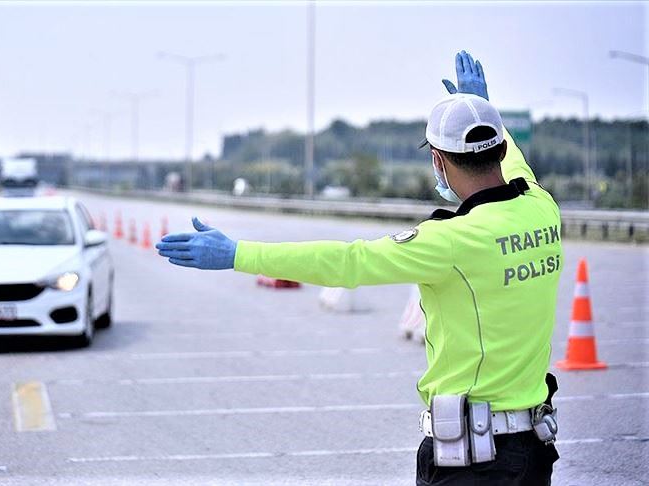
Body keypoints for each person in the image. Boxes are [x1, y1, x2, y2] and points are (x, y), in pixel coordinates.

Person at [155, 51, 563, 485]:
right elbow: (515, 168)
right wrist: (482, 107)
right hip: (533, 453)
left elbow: (347, 262)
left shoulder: (451, 241)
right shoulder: (541, 207)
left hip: (476, 464)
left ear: (438, 161)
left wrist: (237, 254)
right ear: (500, 145)